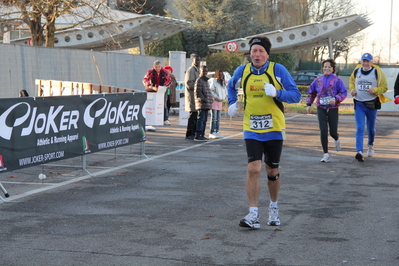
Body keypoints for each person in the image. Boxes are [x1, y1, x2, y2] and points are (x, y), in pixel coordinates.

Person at [227, 36, 301, 229]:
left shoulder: (277, 70)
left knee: (272, 170)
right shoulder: (242, 71)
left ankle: (273, 208)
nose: (257, 54)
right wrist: (232, 102)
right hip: (251, 127)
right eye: (254, 51)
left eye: (260, 51)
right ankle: (253, 214)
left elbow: (296, 95)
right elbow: (230, 86)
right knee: (253, 167)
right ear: (250, 54)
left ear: (267, 54)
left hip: (274, 127)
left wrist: (277, 93)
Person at [306, 59, 347, 162]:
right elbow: (311, 92)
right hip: (321, 108)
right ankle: (325, 153)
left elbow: (343, 93)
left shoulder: (337, 80)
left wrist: (336, 98)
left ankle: (336, 139)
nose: (327, 68)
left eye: (329, 67)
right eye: (325, 66)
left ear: (333, 69)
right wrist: (309, 104)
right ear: (322, 68)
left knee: (333, 132)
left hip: (333, 108)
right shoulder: (318, 80)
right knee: (323, 130)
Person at [349, 53, 388, 162]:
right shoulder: (356, 71)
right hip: (359, 103)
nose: (365, 63)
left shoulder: (377, 72)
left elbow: (384, 87)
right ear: (361, 61)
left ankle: (370, 144)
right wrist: (352, 90)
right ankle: (359, 151)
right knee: (360, 128)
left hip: (371, 104)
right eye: (364, 61)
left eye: (368, 61)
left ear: (371, 62)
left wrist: (375, 90)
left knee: (371, 128)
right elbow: (352, 82)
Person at [142, 60, 171, 125]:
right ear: (154, 67)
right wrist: (149, 85)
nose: (158, 68)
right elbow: (145, 79)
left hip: (162, 89)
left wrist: (164, 86)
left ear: (161, 66)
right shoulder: (150, 72)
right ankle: (149, 117)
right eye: (156, 67)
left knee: (163, 104)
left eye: (159, 67)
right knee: (150, 102)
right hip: (153, 89)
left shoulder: (165, 72)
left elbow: (169, 80)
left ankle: (165, 119)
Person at [194, 65, 213, 141]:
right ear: (200, 71)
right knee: (200, 119)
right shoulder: (199, 80)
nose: (205, 72)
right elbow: (198, 92)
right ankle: (198, 135)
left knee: (204, 120)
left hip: (207, 103)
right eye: (203, 71)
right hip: (202, 103)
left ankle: (202, 134)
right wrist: (204, 99)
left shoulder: (206, 80)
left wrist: (210, 99)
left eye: (206, 71)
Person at [184, 54, 201, 140]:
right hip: (191, 96)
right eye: (196, 60)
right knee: (192, 116)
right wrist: (198, 86)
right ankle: (189, 133)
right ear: (193, 60)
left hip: (197, 97)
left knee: (196, 116)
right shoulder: (190, 70)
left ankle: (193, 132)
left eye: (199, 60)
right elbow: (188, 83)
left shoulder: (198, 70)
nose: (197, 61)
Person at [208, 70, 227, 139]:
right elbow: (210, 91)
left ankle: (217, 131)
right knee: (214, 118)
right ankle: (212, 132)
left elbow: (225, 91)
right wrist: (216, 97)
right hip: (214, 101)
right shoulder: (214, 81)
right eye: (220, 75)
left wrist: (224, 97)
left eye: (222, 75)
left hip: (220, 102)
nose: (221, 76)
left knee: (218, 118)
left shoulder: (223, 82)